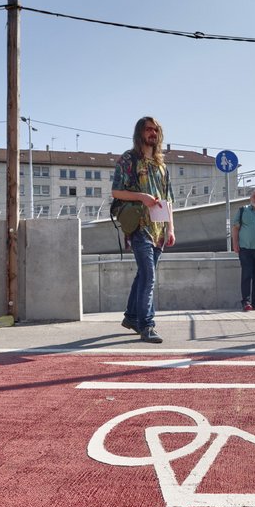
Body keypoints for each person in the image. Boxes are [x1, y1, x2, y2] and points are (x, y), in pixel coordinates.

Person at [110, 116, 176, 343]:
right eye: (148, 129)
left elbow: (168, 200)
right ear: (140, 133)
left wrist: (171, 229)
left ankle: (130, 317)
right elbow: (116, 192)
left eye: (156, 130)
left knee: (143, 274)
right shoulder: (129, 160)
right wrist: (142, 197)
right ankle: (146, 325)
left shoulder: (161, 165)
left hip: (158, 230)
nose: (153, 133)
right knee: (149, 275)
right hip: (138, 225)